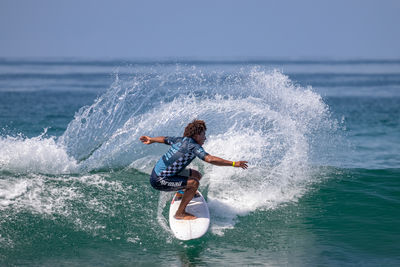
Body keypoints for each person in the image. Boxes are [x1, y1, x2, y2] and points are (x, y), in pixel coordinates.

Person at [139, 119, 248, 220]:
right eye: (203, 134)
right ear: (196, 135)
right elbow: (209, 159)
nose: (205, 137)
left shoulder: (180, 140)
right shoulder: (193, 146)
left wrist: (151, 139)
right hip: (159, 179)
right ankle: (180, 213)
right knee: (194, 183)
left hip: (164, 172)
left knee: (196, 175)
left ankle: (181, 192)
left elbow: (164, 139)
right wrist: (234, 163)